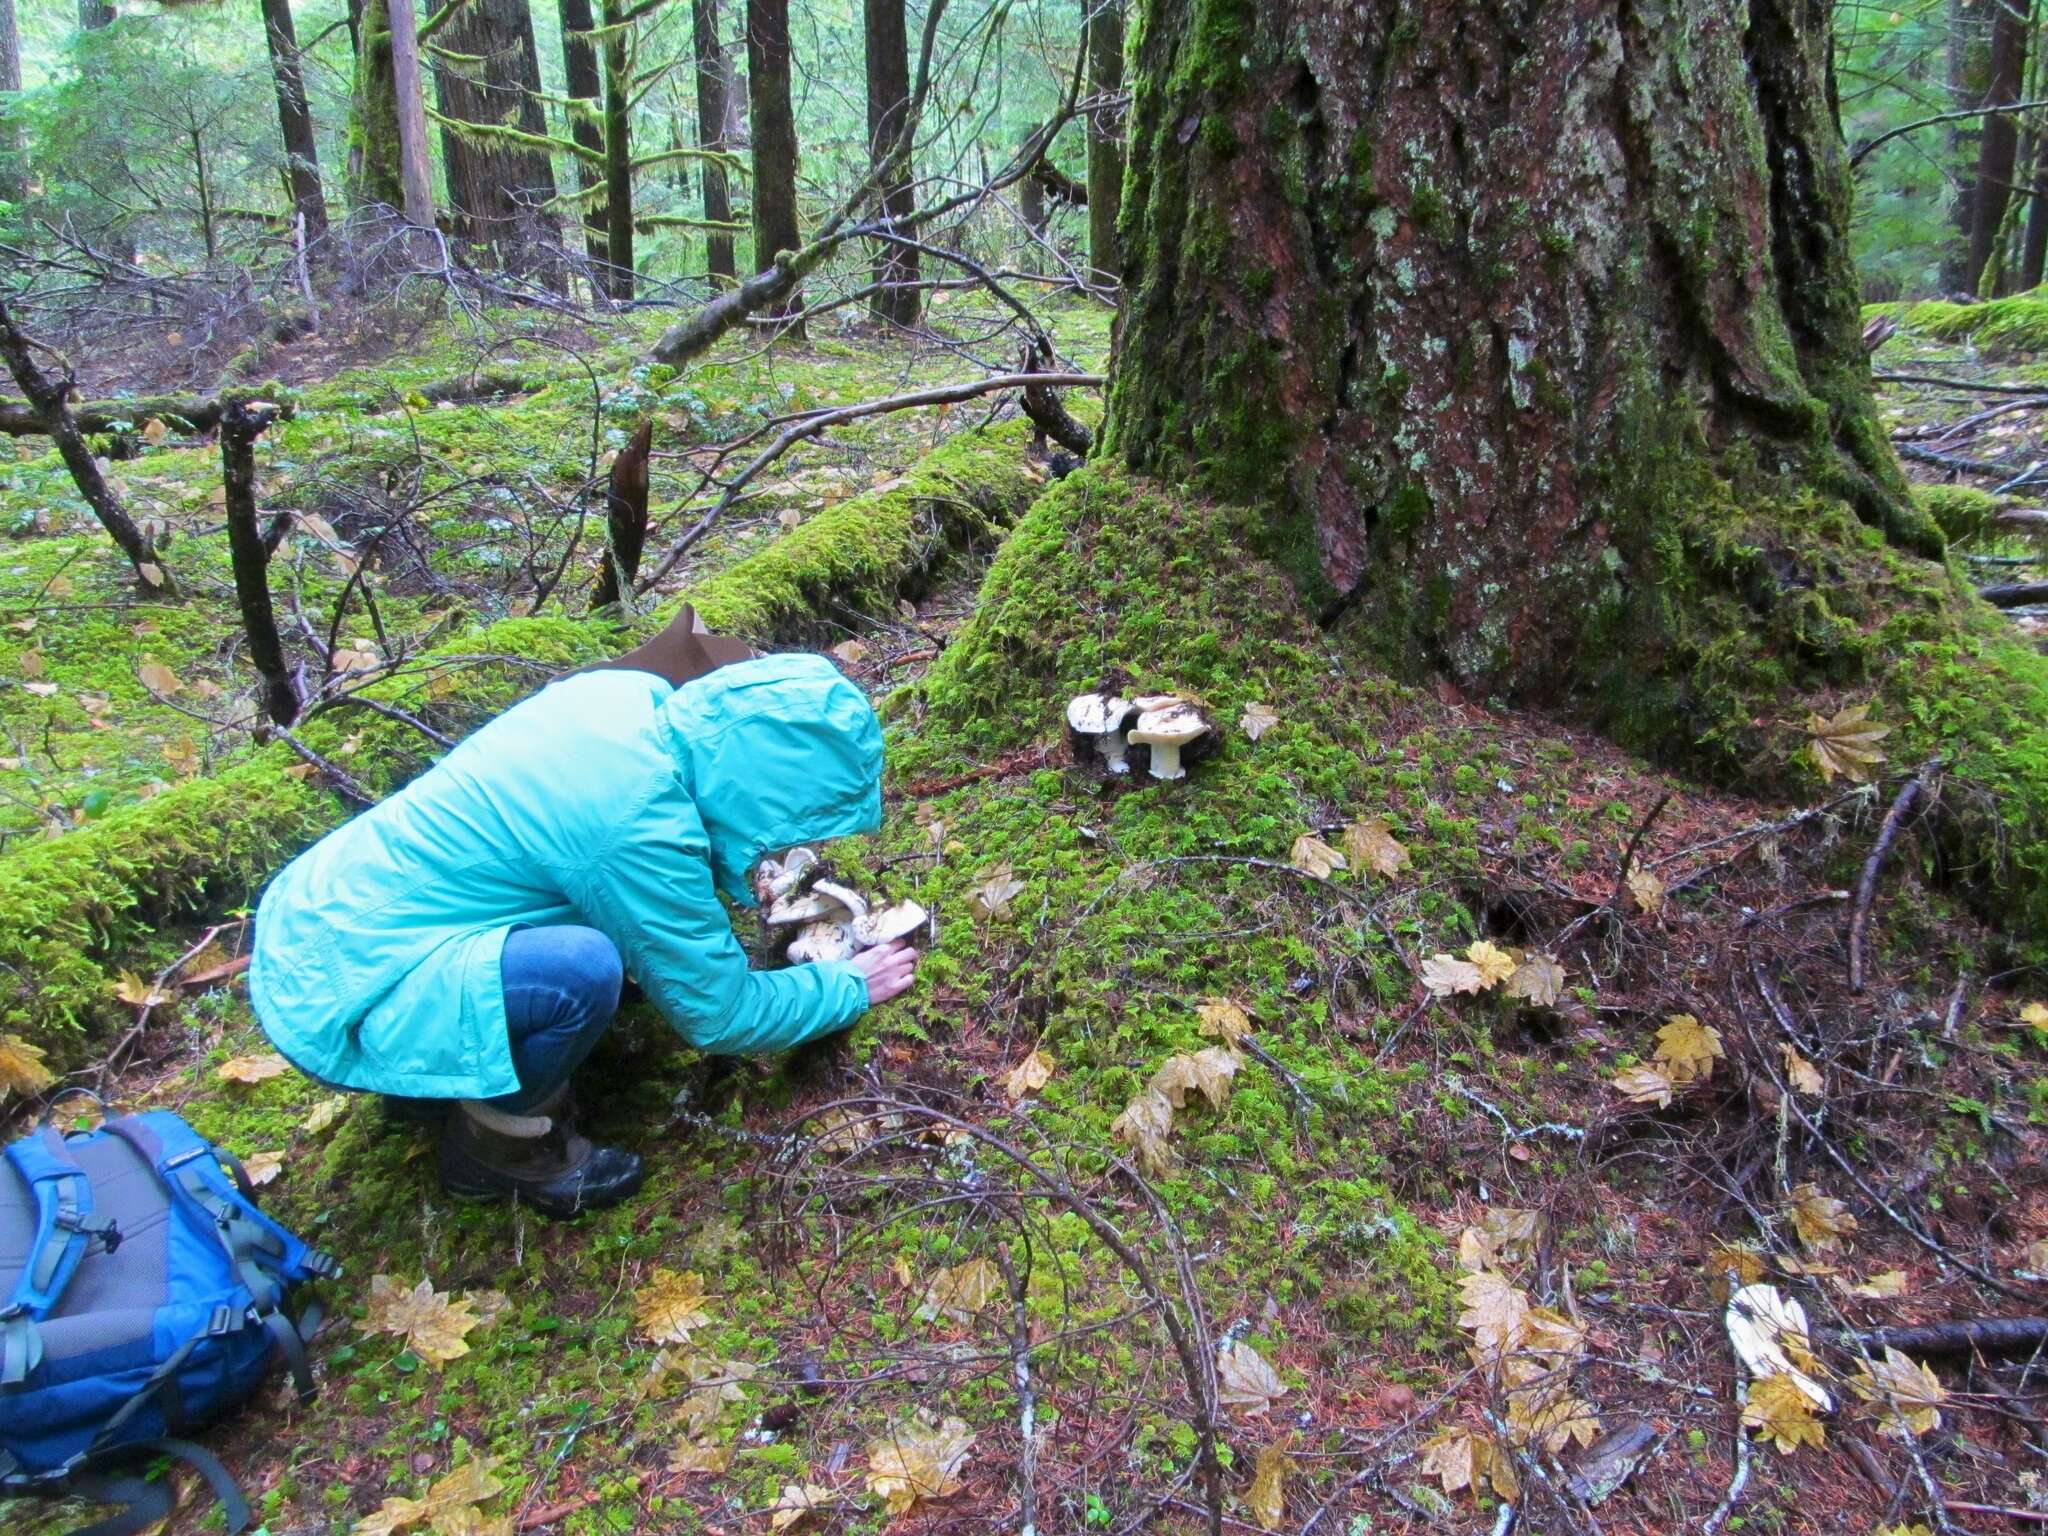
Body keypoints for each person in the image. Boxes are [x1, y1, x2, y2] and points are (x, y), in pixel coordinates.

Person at [247, 607, 919, 1218]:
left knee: (592, 954)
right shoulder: (634, 827)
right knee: (584, 969)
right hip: (342, 996)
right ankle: (496, 1149)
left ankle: (439, 1072)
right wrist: (846, 986)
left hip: (320, 920)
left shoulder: (630, 699)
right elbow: (721, 1016)